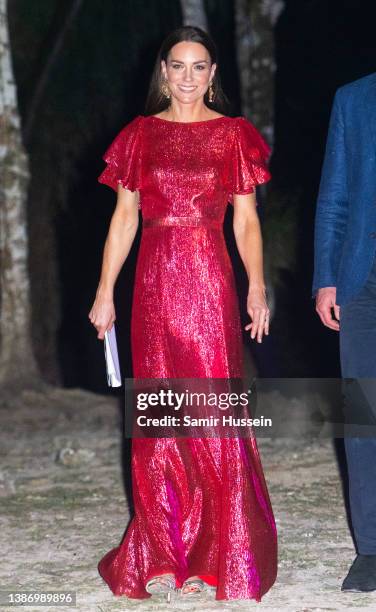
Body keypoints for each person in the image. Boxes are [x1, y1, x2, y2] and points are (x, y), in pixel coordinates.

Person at [89, 25, 277, 602]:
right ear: (163, 72)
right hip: (150, 285)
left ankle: (222, 549)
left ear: (213, 73)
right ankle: (164, 548)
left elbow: (245, 221)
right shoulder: (140, 136)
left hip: (209, 279)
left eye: (200, 66)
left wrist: (257, 286)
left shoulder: (233, 136)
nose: (188, 76)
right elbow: (124, 220)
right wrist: (103, 291)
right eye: (178, 66)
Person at [313, 72, 376, 593]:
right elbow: (334, 199)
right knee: (363, 414)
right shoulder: (353, 98)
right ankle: (371, 549)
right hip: (363, 280)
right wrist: (327, 277)